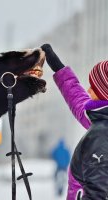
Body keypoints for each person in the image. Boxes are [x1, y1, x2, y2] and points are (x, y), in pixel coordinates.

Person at [41, 44, 108, 200]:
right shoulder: (100, 118)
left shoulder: (101, 136)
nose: (89, 90)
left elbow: (97, 194)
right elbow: (78, 99)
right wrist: (58, 68)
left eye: (94, 88)